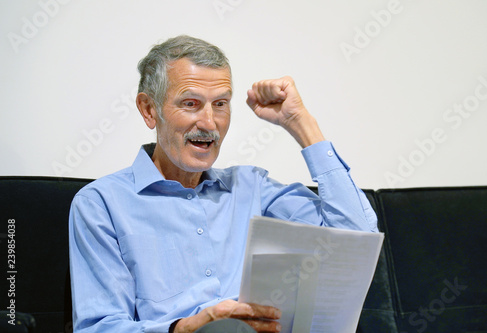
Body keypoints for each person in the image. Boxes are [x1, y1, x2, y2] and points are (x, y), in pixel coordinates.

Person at [69, 35, 378, 333]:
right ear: (150, 110)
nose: (208, 122)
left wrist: (301, 123)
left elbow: (358, 239)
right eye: (190, 103)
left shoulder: (252, 187)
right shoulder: (101, 204)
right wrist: (185, 328)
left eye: (220, 104)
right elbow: (99, 327)